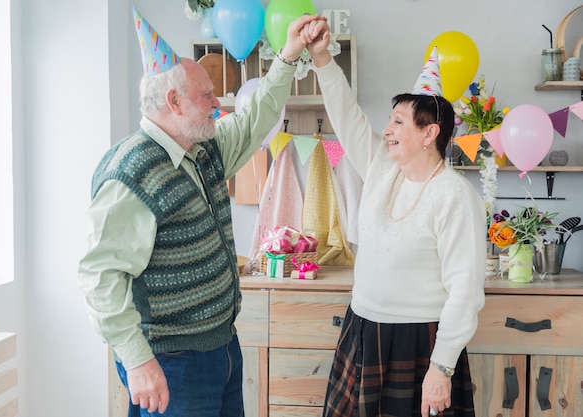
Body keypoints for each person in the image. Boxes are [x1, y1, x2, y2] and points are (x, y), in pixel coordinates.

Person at [77, 8, 325, 417]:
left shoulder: (201, 147)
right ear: (174, 101)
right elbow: (99, 277)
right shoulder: (131, 172)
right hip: (171, 361)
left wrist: (288, 55)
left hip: (221, 347)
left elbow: (253, 119)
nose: (216, 103)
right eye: (206, 94)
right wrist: (138, 362)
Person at [301, 19, 486, 417]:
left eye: (398, 122)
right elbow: (347, 117)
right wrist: (320, 58)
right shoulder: (382, 170)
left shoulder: (455, 196)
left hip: (419, 343)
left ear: (429, 133)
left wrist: (441, 368)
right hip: (362, 328)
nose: (385, 130)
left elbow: (465, 292)